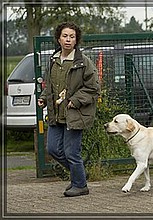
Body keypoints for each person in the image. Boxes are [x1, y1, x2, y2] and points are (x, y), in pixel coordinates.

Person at [38, 22, 100, 197]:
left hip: (75, 113)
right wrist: (43, 97)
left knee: (72, 152)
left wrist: (75, 101)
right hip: (55, 113)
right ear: (59, 38)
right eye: (65, 36)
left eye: (72, 37)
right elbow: (49, 85)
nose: (68, 40)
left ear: (76, 40)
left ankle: (80, 185)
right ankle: (78, 175)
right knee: (52, 149)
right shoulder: (54, 59)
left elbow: (93, 88)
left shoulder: (83, 62)